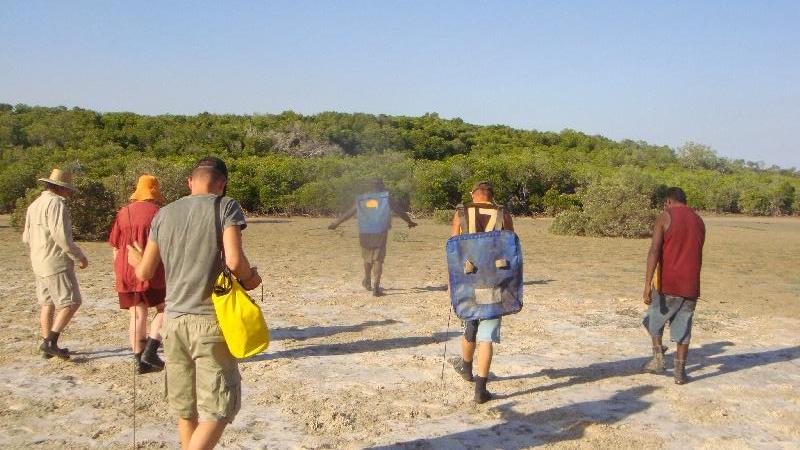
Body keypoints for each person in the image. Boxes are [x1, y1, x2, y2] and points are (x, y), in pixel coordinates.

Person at [127, 157, 262, 450]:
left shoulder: (163, 213)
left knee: (185, 407)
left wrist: (134, 259)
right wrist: (251, 279)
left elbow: (145, 273)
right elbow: (236, 260)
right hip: (210, 321)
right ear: (222, 184)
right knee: (219, 407)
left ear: (190, 182)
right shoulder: (226, 206)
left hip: (173, 322)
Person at [449, 181, 514, 403]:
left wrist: (452, 280)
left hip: (468, 277)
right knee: (487, 334)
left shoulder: (461, 212)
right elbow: (511, 246)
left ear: (473, 195)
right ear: (491, 196)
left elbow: (454, 248)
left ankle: (466, 368)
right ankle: (480, 390)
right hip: (493, 278)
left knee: (471, 321)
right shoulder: (502, 214)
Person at [22, 168, 89, 360]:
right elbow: (61, 236)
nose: (69, 192)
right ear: (60, 188)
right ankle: (51, 342)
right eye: (67, 189)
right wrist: (79, 256)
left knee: (47, 303)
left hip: (38, 260)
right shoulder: (56, 204)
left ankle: (47, 343)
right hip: (55, 262)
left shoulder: (34, 204)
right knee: (72, 301)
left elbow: (26, 237)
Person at [642, 187, 706, 385]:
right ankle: (680, 372)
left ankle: (658, 359)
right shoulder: (699, 220)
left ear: (669, 201)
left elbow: (654, 251)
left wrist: (646, 284)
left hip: (668, 283)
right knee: (684, 328)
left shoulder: (665, 216)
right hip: (691, 284)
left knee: (653, 320)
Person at [109, 175, 167, 374]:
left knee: (136, 314)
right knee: (165, 309)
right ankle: (151, 349)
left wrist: (119, 270)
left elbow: (115, 246)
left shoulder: (123, 212)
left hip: (125, 269)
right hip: (153, 269)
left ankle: (138, 360)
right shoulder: (159, 213)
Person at [328, 179, 417, 296]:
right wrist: (409, 222)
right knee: (378, 259)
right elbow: (399, 211)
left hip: (365, 231)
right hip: (380, 231)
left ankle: (367, 280)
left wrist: (336, 223)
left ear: (369, 186)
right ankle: (376, 287)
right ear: (381, 186)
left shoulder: (362, 198)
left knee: (367, 257)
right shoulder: (386, 197)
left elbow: (349, 212)